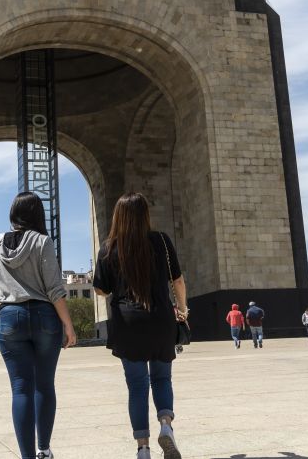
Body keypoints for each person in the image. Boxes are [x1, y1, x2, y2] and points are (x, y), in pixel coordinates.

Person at [93, 192, 188, 459]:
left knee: (136, 386)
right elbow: (178, 281)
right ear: (145, 214)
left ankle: (143, 448)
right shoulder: (161, 241)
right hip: (160, 320)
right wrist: (182, 309)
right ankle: (166, 427)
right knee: (162, 378)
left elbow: (101, 289)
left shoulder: (109, 247)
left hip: (128, 324)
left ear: (118, 216)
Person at [0, 191, 77, 459]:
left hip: (9, 317)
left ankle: (26, 456)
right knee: (44, 385)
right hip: (44, 318)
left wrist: (9, 309)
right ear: (38, 214)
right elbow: (55, 290)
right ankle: (43, 449)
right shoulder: (42, 242)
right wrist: (69, 326)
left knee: (21, 388)